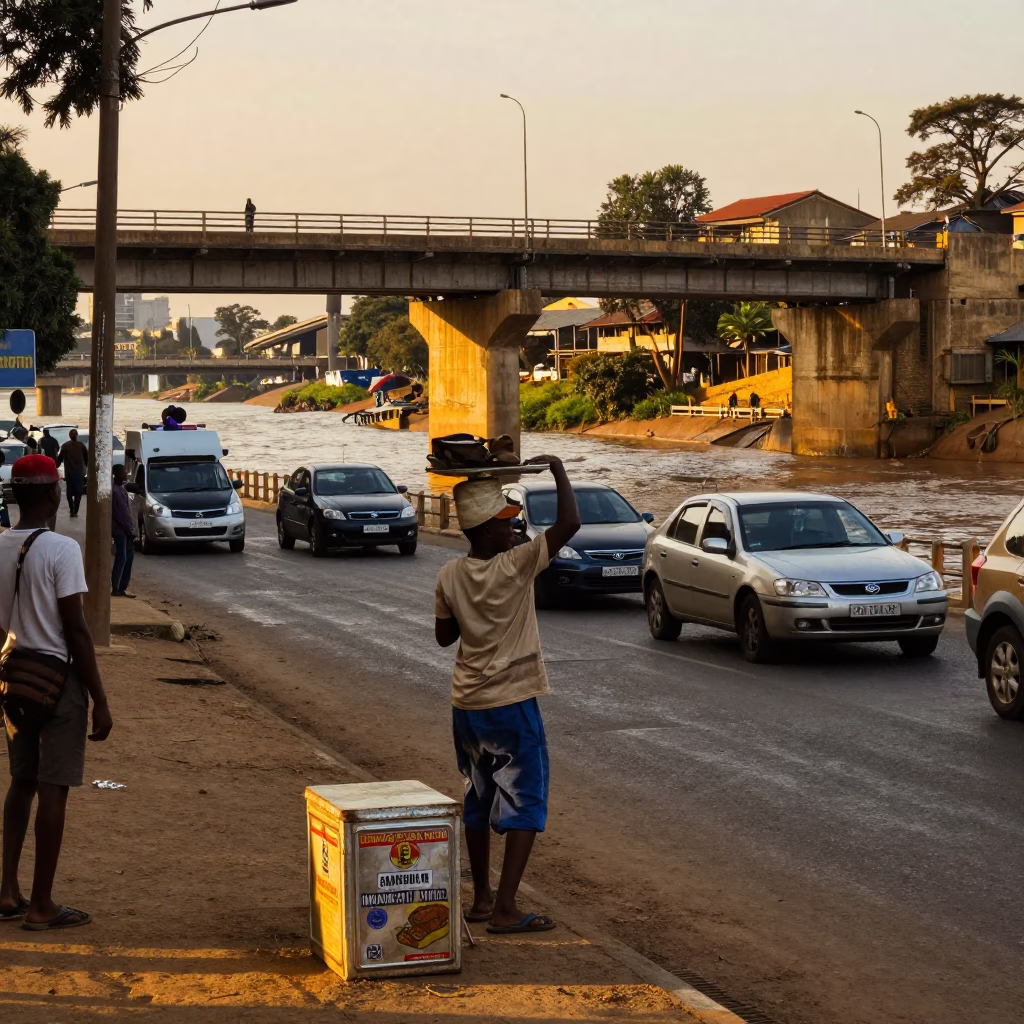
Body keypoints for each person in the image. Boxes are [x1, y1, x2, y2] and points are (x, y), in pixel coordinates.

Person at [434, 457, 580, 935]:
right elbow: (570, 523)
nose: (515, 529)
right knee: (525, 801)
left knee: (477, 798)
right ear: (485, 531)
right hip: (511, 704)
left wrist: (472, 613)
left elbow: (443, 636)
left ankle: (480, 901)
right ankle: (506, 909)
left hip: (467, 707)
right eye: (506, 524)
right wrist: (557, 469)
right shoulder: (517, 566)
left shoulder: (450, 574)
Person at [0, 455, 112, 930]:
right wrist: (100, 699)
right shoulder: (61, 550)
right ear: (52, 494)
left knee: (20, 783)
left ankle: (7, 892)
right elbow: (77, 631)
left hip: (14, 680)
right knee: (53, 791)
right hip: (58, 685)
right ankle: (42, 905)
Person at [110, 466, 135, 599]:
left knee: (125, 557)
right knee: (123, 558)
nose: (125, 474)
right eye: (123, 472)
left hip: (122, 529)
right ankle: (117, 587)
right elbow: (122, 514)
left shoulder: (120, 489)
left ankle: (120, 587)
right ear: (117, 474)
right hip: (121, 530)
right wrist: (130, 530)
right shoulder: (117, 491)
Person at [55, 430, 88, 518]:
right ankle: (75, 511)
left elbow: (59, 459)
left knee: (69, 493)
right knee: (78, 493)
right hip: (79, 474)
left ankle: (71, 509)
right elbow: (87, 459)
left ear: (69, 436)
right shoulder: (81, 445)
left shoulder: (65, 446)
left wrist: (54, 466)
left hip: (69, 474)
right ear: (77, 435)